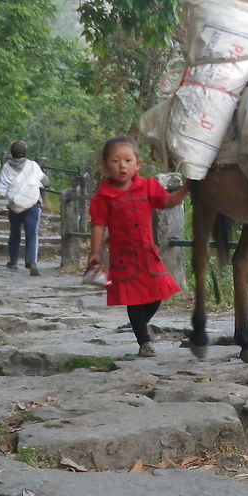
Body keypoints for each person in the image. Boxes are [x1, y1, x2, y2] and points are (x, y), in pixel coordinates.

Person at [86, 135, 189, 357]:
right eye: (115, 161)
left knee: (158, 293)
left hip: (148, 253)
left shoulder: (148, 187)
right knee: (134, 300)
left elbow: (167, 202)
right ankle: (144, 341)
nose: (122, 166)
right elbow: (98, 227)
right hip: (123, 258)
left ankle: (142, 327)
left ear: (138, 164)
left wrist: (187, 188)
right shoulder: (103, 198)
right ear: (104, 166)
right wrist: (95, 254)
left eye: (127, 160)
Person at [0, 140, 49, 276]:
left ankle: (13, 261)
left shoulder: (6, 168)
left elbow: (1, 189)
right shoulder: (33, 166)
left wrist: (10, 194)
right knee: (32, 233)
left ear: (11, 153)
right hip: (32, 204)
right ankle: (32, 262)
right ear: (26, 152)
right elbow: (45, 181)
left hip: (15, 206)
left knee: (15, 233)